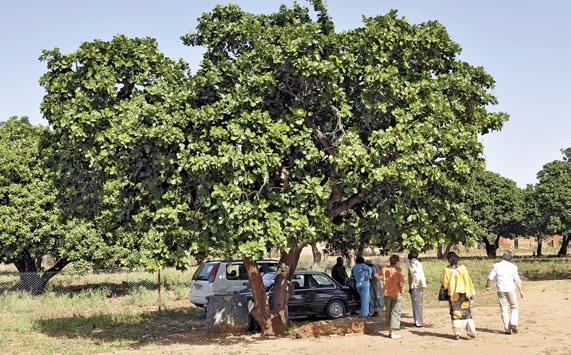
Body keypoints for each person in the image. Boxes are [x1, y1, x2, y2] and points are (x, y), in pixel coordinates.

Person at [486, 250, 525, 334]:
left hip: (500, 290)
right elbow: (517, 280)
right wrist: (521, 291)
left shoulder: (496, 265)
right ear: (511, 258)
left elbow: (490, 277)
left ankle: (507, 329)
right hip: (511, 289)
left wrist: (488, 286)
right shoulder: (513, 267)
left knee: (504, 309)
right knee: (514, 307)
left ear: (503, 256)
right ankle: (513, 323)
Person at [441, 251, 477, 340]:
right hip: (464, 293)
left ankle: (456, 334)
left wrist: (446, 288)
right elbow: (467, 280)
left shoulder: (446, 269)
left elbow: (445, 284)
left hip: (452, 295)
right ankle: (469, 329)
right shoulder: (463, 268)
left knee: (455, 313)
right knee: (466, 312)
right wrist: (471, 292)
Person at [378, 254, 405, 339]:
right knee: (395, 312)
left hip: (386, 293)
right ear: (397, 261)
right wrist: (401, 290)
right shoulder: (399, 271)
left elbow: (376, 275)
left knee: (388, 312)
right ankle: (393, 332)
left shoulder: (385, 268)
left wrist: (382, 279)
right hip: (396, 293)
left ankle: (390, 331)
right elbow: (401, 283)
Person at [407, 252, 427, 327]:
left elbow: (414, 275)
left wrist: (412, 287)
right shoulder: (418, 262)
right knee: (418, 303)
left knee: (416, 304)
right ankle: (418, 321)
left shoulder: (413, 263)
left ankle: (418, 322)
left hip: (416, 286)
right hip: (419, 285)